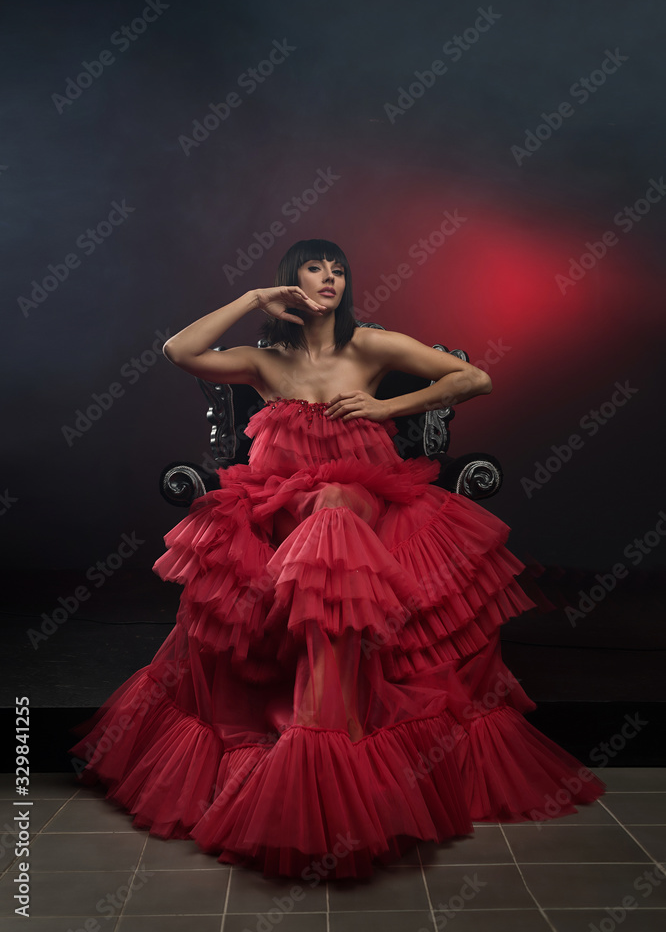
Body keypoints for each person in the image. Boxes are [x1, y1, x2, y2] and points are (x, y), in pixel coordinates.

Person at [70, 237, 605, 880]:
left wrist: (387, 407)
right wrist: (249, 299)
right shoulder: (264, 363)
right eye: (315, 268)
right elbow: (179, 352)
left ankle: (328, 733)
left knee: (331, 506)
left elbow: (475, 377)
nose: (330, 278)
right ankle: (309, 742)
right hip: (278, 512)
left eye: (339, 269)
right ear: (288, 284)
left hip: (363, 502)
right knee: (274, 543)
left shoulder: (370, 347)